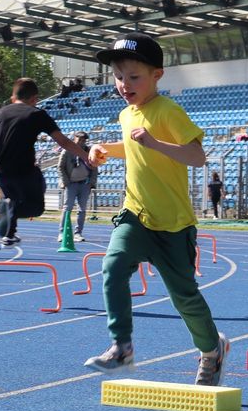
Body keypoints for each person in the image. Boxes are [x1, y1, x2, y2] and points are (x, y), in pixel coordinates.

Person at [78, 32, 230, 387]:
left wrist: (154, 141)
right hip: (136, 214)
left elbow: (197, 156)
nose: (124, 84)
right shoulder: (126, 113)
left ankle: (212, 351)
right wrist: (105, 149)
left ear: (157, 75)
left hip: (173, 224)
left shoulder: (168, 111)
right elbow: (133, 147)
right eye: (118, 76)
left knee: (184, 297)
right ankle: (122, 346)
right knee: (112, 266)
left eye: (134, 76)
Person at [0, 77, 90, 246]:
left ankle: (9, 233)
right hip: (25, 171)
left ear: (12, 98)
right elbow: (64, 142)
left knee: (12, 199)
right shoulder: (37, 114)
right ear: (34, 99)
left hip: (0, 172)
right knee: (36, 208)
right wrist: (87, 157)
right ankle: (7, 210)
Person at [58, 131, 98, 242]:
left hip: (85, 184)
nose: (81, 142)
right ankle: (62, 232)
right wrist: (65, 182)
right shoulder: (67, 151)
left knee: (82, 210)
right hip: (71, 184)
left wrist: (92, 183)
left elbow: (95, 167)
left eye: (84, 140)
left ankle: (78, 233)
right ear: (74, 139)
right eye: (79, 139)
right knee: (67, 208)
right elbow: (60, 167)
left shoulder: (89, 151)